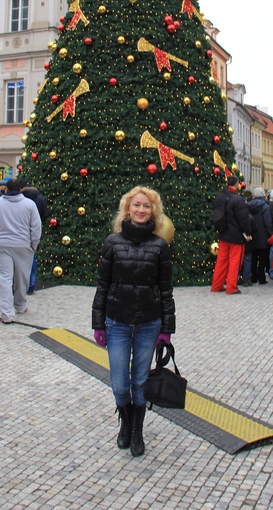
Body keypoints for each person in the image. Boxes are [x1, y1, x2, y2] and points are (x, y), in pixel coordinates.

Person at [91, 187, 175, 457]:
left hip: (148, 324)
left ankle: (137, 430)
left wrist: (166, 329)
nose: (141, 210)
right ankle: (125, 424)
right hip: (117, 323)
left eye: (147, 206)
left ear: (154, 211)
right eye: (136, 205)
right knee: (119, 382)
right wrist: (98, 323)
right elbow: (102, 286)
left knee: (139, 381)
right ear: (127, 209)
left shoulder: (160, 246)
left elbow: (166, 290)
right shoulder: (112, 242)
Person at [0, 178, 41, 323]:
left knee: (3, 278)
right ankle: (21, 305)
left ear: (6, 189)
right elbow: (36, 227)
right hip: (23, 245)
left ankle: (7, 313)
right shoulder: (29, 204)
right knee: (22, 277)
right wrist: (34, 244)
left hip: (1, 245)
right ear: (20, 190)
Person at [210, 175, 252, 294]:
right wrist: (248, 233)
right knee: (235, 261)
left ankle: (216, 285)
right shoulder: (238, 200)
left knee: (221, 261)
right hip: (236, 236)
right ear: (237, 184)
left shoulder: (219, 197)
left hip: (223, 233)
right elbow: (243, 219)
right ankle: (231, 287)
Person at [18, 179, 50, 295]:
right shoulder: (40, 199)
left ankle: (18, 285)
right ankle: (31, 286)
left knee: (18, 261)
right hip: (34, 231)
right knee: (32, 258)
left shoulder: (20, 199)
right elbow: (46, 214)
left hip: (21, 231)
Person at [247, 187, 273, 285]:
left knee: (253, 257)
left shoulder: (248, 206)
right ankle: (262, 278)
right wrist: (270, 234)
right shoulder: (265, 206)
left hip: (253, 234)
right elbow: (267, 222)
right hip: (263, 235)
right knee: (263, 258)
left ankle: (253, 277)